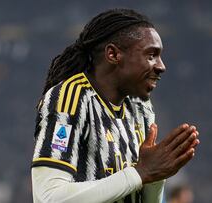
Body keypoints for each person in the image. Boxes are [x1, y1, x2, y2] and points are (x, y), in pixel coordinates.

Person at [31, 8, 200, 203]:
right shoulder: (70, 98)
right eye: (151, 55)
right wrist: (140, 172)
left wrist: (156, 176)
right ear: (113, 54)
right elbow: (48, 197)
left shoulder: (141, 108)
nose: (161, 66)